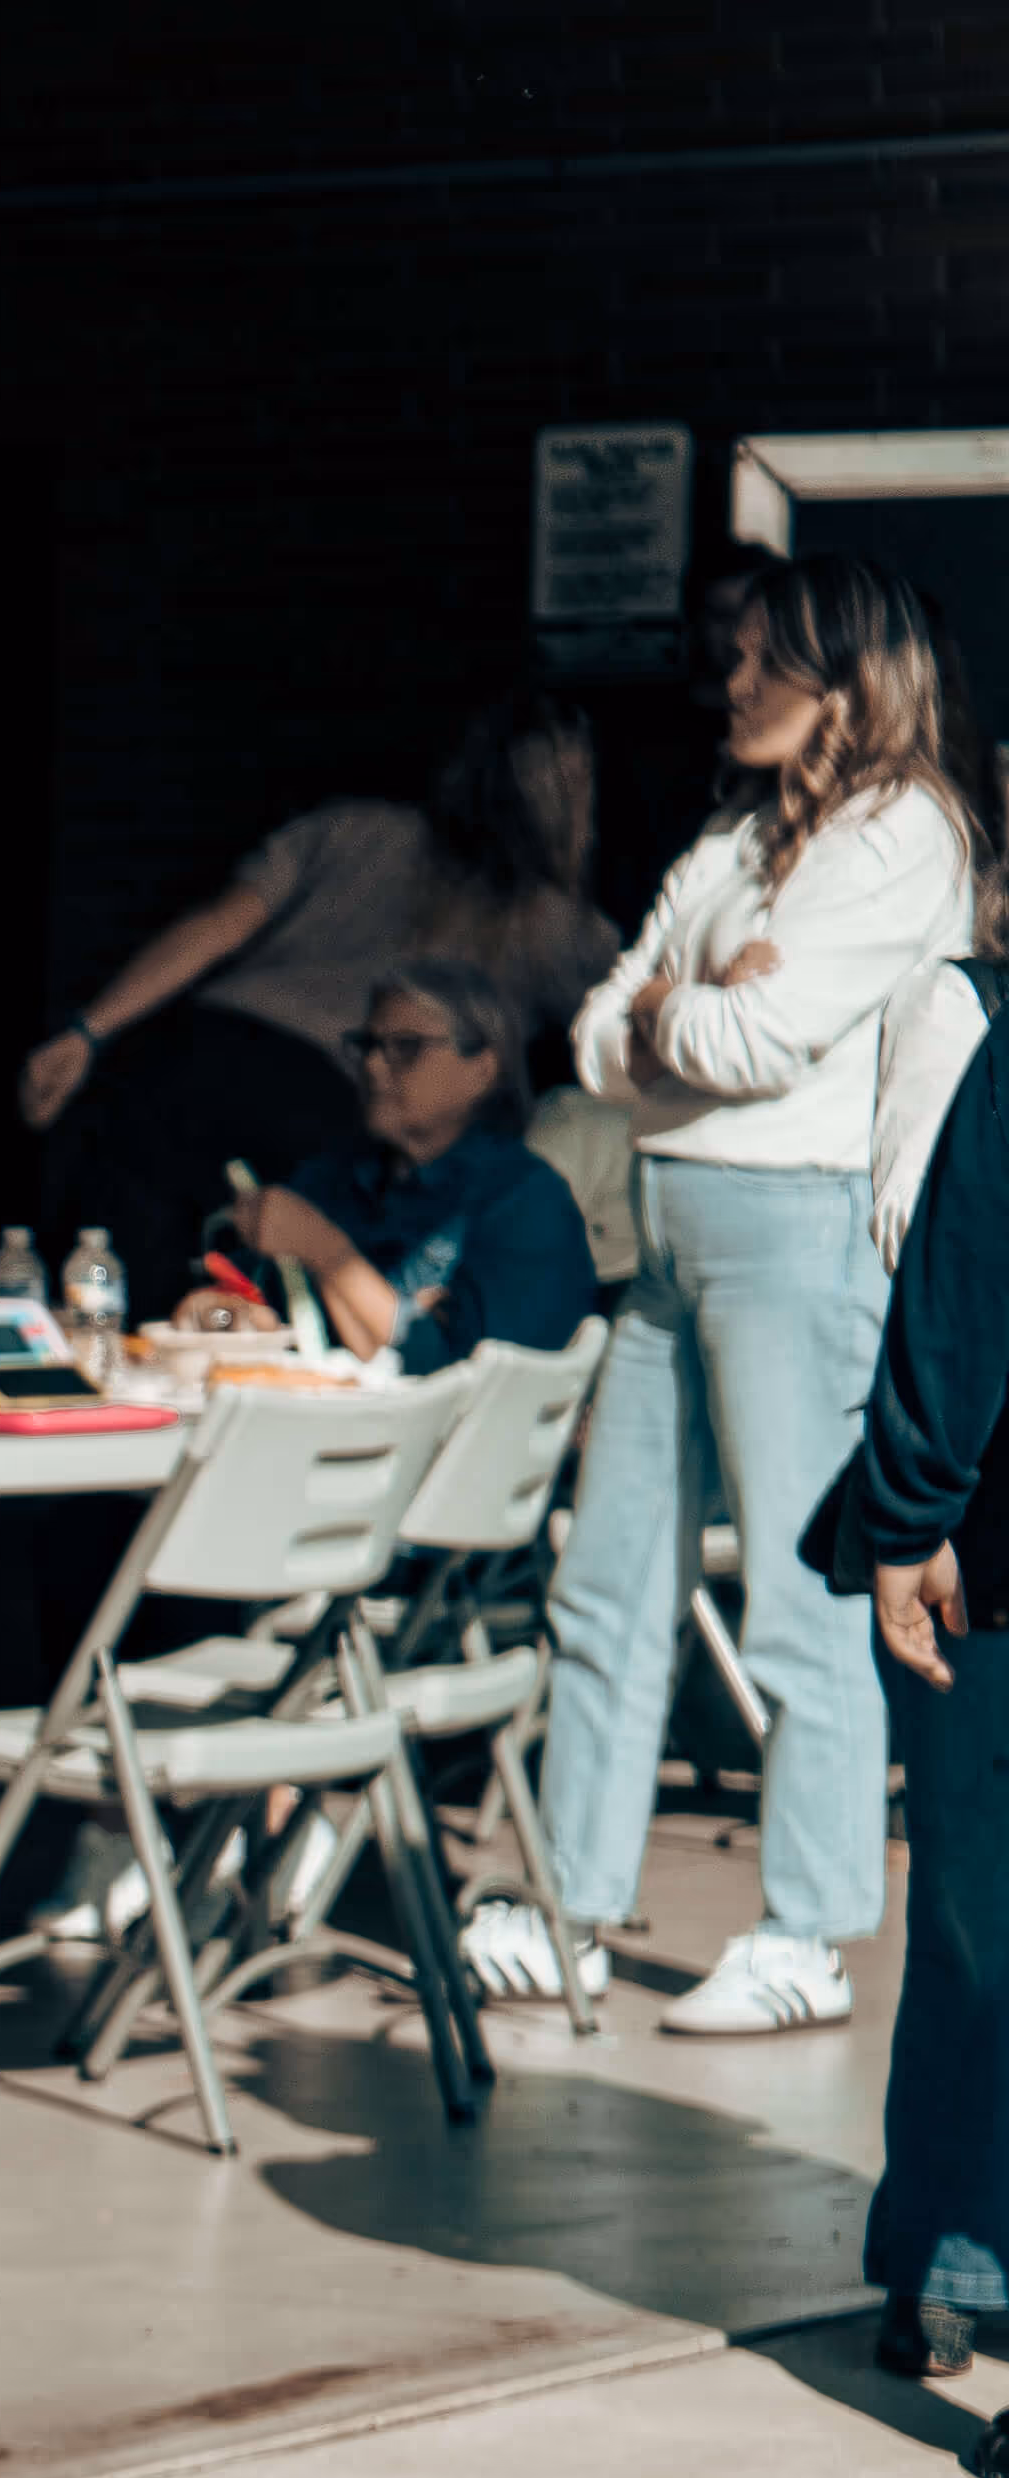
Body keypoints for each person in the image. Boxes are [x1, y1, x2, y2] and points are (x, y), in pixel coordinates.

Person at [478, 554, 988, 2039]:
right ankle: (571, 1904)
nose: (738, 685)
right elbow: (591, 1031)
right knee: (608, 1575)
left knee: (800, 1594)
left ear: (851, 683)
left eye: (771, 664)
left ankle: (810, 1931)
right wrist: (669, 1012)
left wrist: (672, 1014)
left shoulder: (904, 836)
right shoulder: (733, 840)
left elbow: (761, 1040)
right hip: (671, 1224)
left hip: (792, 1230)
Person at [26, 697, 618, 1296]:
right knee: (287, 1316)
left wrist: (88, 1032)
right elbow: (616, 1049)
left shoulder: (350, 829)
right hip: (321, 1100)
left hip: (187, 1055)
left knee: (109, 1297)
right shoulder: (562, 927)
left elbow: (216, 925)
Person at [803, 937, 1009, 2378]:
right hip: (982, 1554)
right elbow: (942, 1255)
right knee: (973, 1924)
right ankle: (947, 2247)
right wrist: (913, 1507)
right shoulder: (968, 1012)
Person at [235, 955, 602, 1376]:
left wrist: (326, 1251)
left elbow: (462, 1383)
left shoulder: (523, 1200)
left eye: (406, 1048)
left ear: (482, 1070)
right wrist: (222, 1315)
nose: (372, 1066)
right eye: (368, 1046)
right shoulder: (330, 1179)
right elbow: (258, 1306)